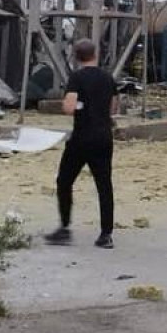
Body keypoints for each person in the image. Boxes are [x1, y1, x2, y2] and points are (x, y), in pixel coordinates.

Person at [47, 38, 117, 249]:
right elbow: (114, 108)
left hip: (82, 137)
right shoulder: (108, 78)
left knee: (64, 181)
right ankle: (106, 235)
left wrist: (77, 105)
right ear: (95, 54)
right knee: (104, 185)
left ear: (76, 57)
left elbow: (69, 107)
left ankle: (64, 228)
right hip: (104, 137)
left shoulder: (76, 78)